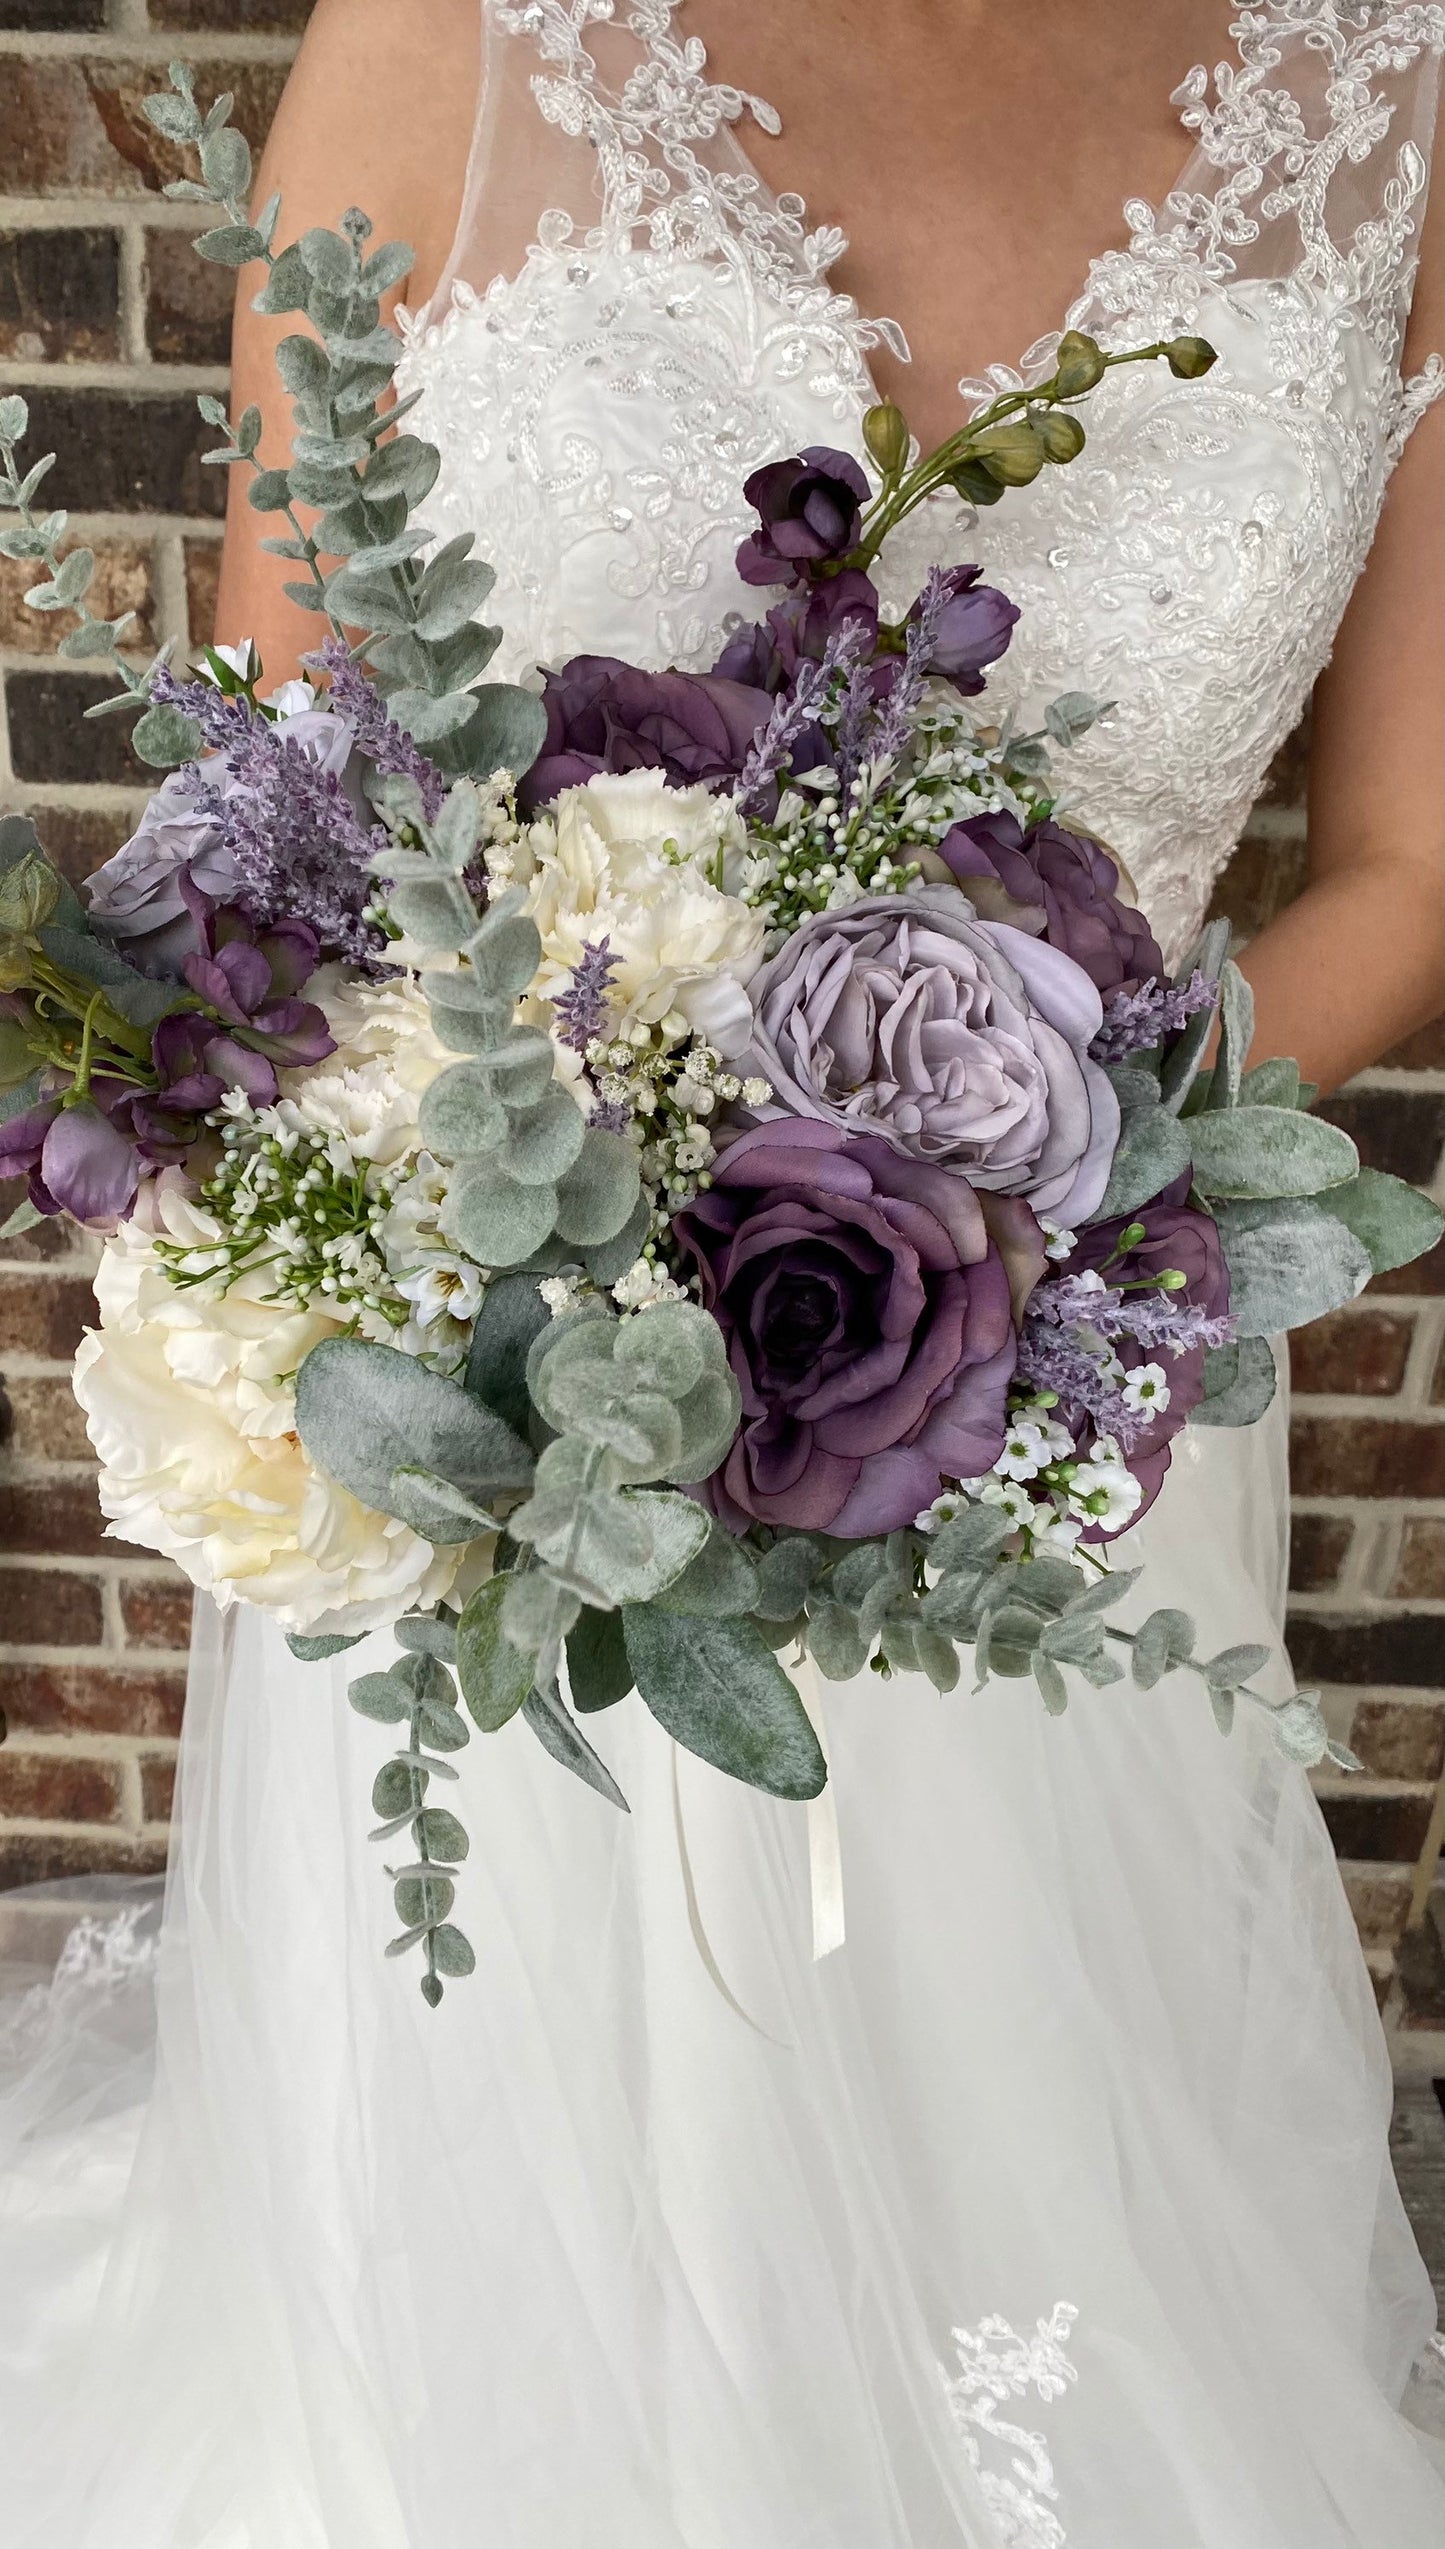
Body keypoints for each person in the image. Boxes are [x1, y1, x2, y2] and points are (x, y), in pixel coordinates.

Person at [2, 5, 1443, 2541]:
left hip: (1052, 1396)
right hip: (500, 1373)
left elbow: (1412, 870)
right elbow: (286, 784)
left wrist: (1009, 1223)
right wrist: (542, 1237)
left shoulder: (1400, 88)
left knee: (1018, 2152)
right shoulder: (442, 32)